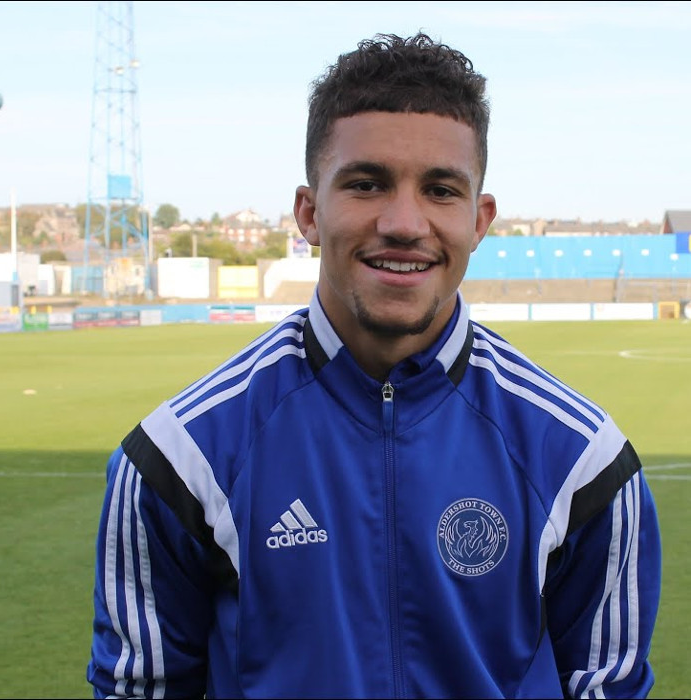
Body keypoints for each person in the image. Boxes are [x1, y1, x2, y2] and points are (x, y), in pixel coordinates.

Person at [87, 32, 662, 699]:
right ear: (309, 213)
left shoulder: (583, 460)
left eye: (440, 190)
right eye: (367, 184)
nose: (404, 223)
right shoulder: (180, 457)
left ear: (480, 221)